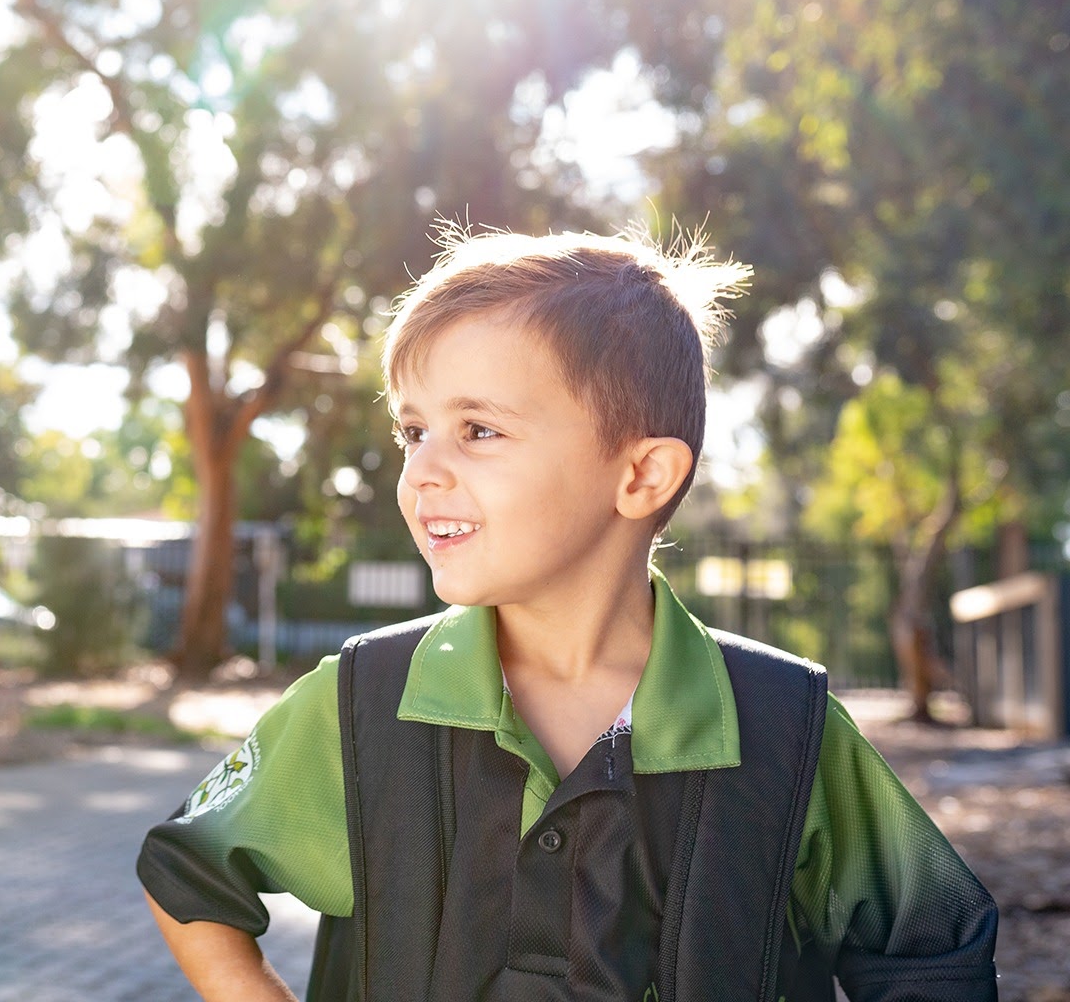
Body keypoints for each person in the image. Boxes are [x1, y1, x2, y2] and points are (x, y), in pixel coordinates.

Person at [137, 228, 998, 1001]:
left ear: (641, 477)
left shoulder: (785, 728)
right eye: (412, 431)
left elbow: (933, 948)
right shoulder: (362, 702)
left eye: (478, 430)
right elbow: (188, 870)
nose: (422, 471)